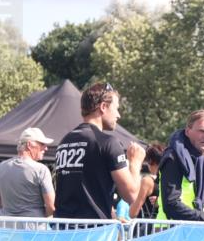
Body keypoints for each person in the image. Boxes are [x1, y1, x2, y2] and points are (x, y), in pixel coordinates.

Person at [54, 83, 148, 220]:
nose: (118, 115)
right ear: (103, 107)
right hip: (94, 230)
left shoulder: (64, 142)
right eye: (116, 108)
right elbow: (131, 195)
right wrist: (135, 162)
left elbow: (89, 192)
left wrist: (113, 218)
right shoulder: (108, 142)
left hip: (63, 228)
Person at [156, 109, 204, 224]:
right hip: (171, 230)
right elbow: (171, 205)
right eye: (201, 131)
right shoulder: (174, 157)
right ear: (187, 131)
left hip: (197, 229)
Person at [0, 127, 56, 218]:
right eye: (42, 144)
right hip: (33, 225)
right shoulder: (41, 170)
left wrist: (13, 208)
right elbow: (51, 206)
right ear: (29, 145)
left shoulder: (0, 167)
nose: (46, 148)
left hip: (7, 225)